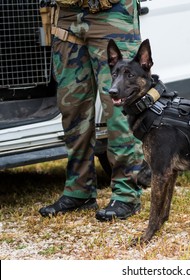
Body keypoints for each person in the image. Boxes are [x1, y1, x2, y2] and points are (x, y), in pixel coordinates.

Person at [39, 0, 146, 221]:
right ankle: (79, 192)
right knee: (72, 109)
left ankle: (126, 195)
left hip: (111, 13)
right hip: (66, 14)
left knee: (120, 111)